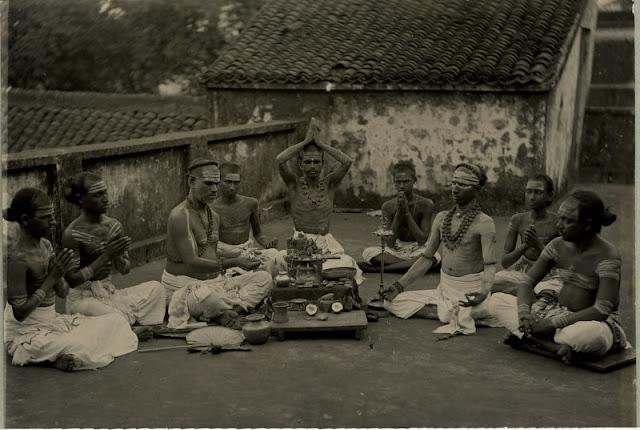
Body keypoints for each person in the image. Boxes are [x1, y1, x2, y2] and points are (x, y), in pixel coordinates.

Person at [488, 190, 631, 364]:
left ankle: (532, 338)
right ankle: (552, 346)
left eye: (567, 221)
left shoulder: (608, 255)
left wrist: (550, 324)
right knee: (497, 301)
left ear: (587, 225)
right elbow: (527, 282)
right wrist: (525, 314)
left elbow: (601, 310)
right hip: (554, 310)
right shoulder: (556, 245)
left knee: (588, 336)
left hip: (588, 321)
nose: (559, 225)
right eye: (560, 218)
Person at [4, 188, 138, 371]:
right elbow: (20, 313)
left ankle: (57, 356)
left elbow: (63, 292)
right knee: (80, 344)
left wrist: (58, 274)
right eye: (46, 217)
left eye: (52, 216)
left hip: (53, 322)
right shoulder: (17, 259)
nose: (53, 222)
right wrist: (51, 278)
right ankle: (52, 358)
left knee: (116, 321)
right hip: (26, 332)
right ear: (26, 220)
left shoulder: (46, 245)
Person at [380, 163, 501, 335]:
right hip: (445, 288)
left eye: (463, 184)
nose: (455, 188)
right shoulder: (442, 218)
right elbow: (426, 258)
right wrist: (399, 286)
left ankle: (457, 312)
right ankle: (448, 313)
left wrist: (483, 292)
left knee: (468, 310)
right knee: (391, 302)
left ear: (476, 189)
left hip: (470, 291)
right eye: (454, 183)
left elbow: (490, 265)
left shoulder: (485, 223)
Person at [162, 159, 272, 329]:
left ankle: (225, 312)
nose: (214, 189)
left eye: (216, 183)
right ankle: (224, 311)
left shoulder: (213, 215)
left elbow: (210, 253)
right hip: (186, 286)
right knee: (206, 297)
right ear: (192, 181)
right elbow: (192, 262)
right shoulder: (180, 216)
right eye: (208, 183)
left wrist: (241, 256)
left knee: (264, 278)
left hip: (216, 282)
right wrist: (235, 262)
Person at [62, 172, 165, 340]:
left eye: (105, 192)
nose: (105, 199)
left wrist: (116, 255)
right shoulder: (72, 234)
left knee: (156, 289)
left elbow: (125, 269)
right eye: (98, 195)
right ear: (81, 200)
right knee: (115, 316)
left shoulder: (113, 225)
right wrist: (106, 255)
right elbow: (72, 280)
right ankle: (127, 329)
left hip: (109, 293)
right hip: (83, 299)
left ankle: (125, 326)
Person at [276, 118, 364, 285]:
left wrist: (321, 144)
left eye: (317, 161)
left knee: (347, 263)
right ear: (300, 165)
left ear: (323, 164)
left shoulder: (330, 183)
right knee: (275, 261)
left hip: (325, 246)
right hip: (298, 245)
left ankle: (311, 275)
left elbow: (347, 161)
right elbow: (280, 160)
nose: (312, 166)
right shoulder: (293, 183)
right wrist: (305, 142)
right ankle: (318, 275)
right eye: (308, 162)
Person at [360, 160, 440, 273]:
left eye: (406, 181)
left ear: (414, 181)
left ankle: (380, 269)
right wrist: (398, 213)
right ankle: (410, 266)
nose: (401, 186)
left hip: (418, 248)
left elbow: (422, 240)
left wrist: (407, 213)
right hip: (396, 250)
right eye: (398, 182)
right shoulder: (388, 206)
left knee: (434, 256)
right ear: (394, 182)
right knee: (368, 252)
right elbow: (390, 243)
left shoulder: (426, 204)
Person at [212, 162, 286, 276]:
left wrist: (266, 244)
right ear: (218, 181)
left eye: (236, 183)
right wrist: (229, 258)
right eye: (228, 182)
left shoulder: (250, 203)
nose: (232, 187)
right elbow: (211, 244)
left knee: (276, 255)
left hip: (247, 253)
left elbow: (258, 233)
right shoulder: (212, 208)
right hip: (225, 256)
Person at [492, 174, 559, 295]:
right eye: (528, 192)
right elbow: (505, 262)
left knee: (550, 290)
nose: (532, 197)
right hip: (523, 272)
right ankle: (527, 291)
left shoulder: (557, 222)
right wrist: (525, 246)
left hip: (549, 275)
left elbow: (561, 262)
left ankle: (526, 292)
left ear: (549, 196)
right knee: (492, 281)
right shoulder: (518, 219)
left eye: (538, 192)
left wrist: (537, 244)